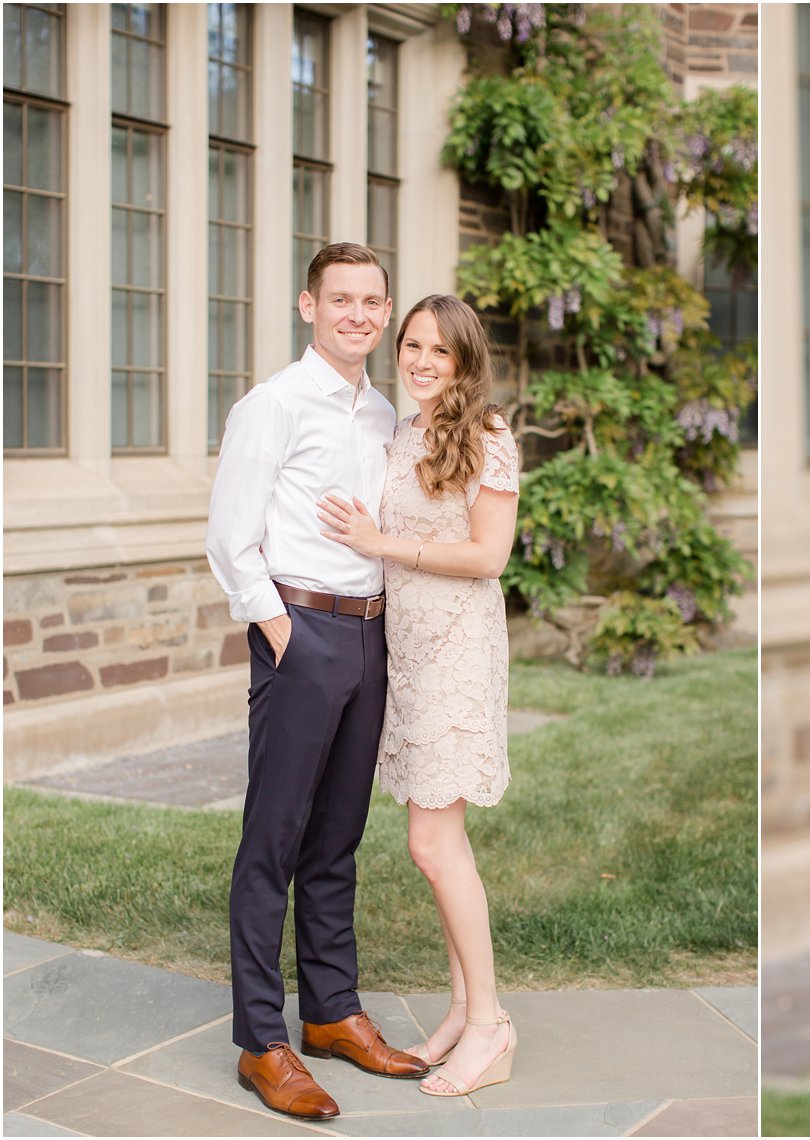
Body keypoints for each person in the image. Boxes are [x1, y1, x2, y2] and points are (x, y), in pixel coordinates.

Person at [207, 242, 429, 1122]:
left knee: (336, 840)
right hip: (300, 632)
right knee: (274, 838)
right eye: (342, 300)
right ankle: (263, 1041)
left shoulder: (383, 413)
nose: (360, 315)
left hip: (370, 637)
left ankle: (333, 1012)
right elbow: (231, 536)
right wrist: (280, 632)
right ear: (309, 307)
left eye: (374, 302)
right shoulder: (272, 406)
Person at [317, 293, 520, 1098]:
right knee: (438, 847)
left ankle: (490, 1027)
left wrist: (380, 542)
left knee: (434, 846)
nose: (423, 362)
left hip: (458, 655)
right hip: (406, 654)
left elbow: (488, 555)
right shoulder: (404, 434)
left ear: (466, 360)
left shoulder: (487, 435)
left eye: (441, 351)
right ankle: (462, 1007)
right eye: (413, 347)